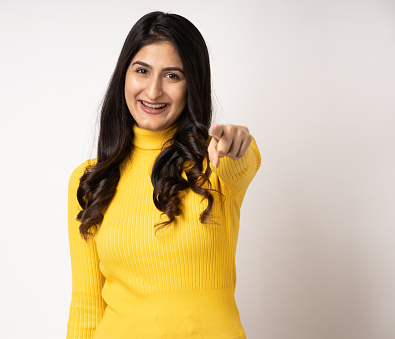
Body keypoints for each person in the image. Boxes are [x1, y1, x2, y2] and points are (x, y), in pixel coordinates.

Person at [66, 11, 261, 339]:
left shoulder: (216, 162)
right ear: (123, 76)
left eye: (172, 76)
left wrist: (240, 142)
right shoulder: (89, 180)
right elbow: (85, 306)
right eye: (142, 71)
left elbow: (243, 160)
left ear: (192, 85)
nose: (153, 91)